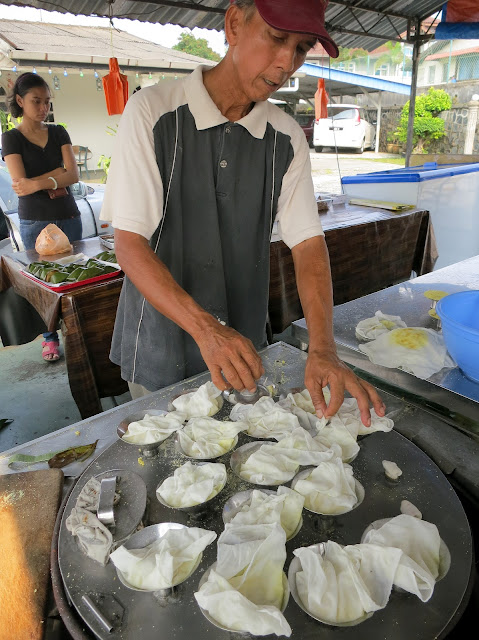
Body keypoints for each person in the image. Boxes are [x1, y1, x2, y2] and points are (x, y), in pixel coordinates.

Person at [101, 0, 386, 427]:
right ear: (234, 23)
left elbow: (308, 243)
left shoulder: (286, 137)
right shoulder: (153, 113)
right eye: (276, 38)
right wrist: (207, 330)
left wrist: (323, 348)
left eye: (302, 47)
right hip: (158, 343)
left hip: (245, 347)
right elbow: (129, 244)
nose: (287, 62)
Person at [2, 72, 82, 362]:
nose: (42, 107)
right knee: (45, 283)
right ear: (21, 101)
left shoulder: (59, 131)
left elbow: (73, 174)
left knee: (75, 277)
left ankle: (77, 332)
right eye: (36, 101)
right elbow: (20, 184)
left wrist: (40, 183)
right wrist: (56, 177)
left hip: (68, 214)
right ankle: (50, 339)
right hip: (35, 220)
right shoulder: (11, 138)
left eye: (47, 102)